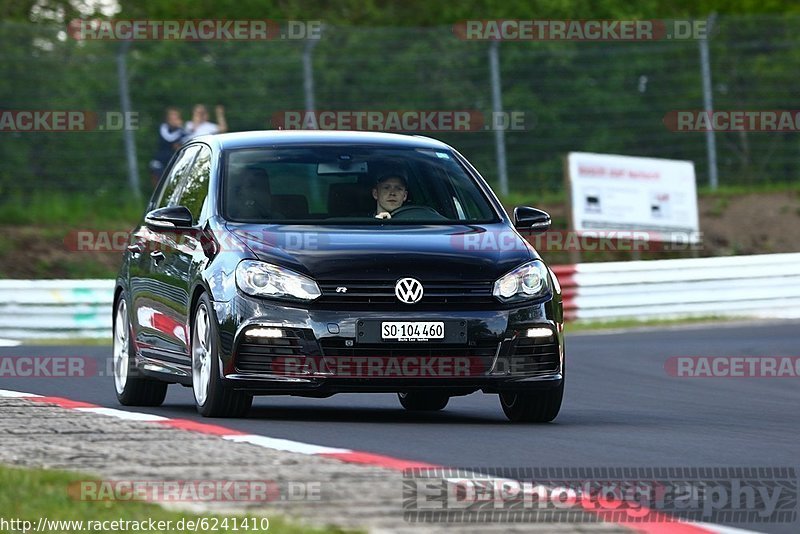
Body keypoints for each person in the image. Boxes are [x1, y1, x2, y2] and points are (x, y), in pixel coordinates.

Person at [149, 106, 185, 185]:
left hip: (174, 164)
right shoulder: (163, 128)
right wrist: (180, 130)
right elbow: (169, 138)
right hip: (160, 164)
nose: (174, 119)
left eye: (176, 116)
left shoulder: (181, 131)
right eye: (172, 116)